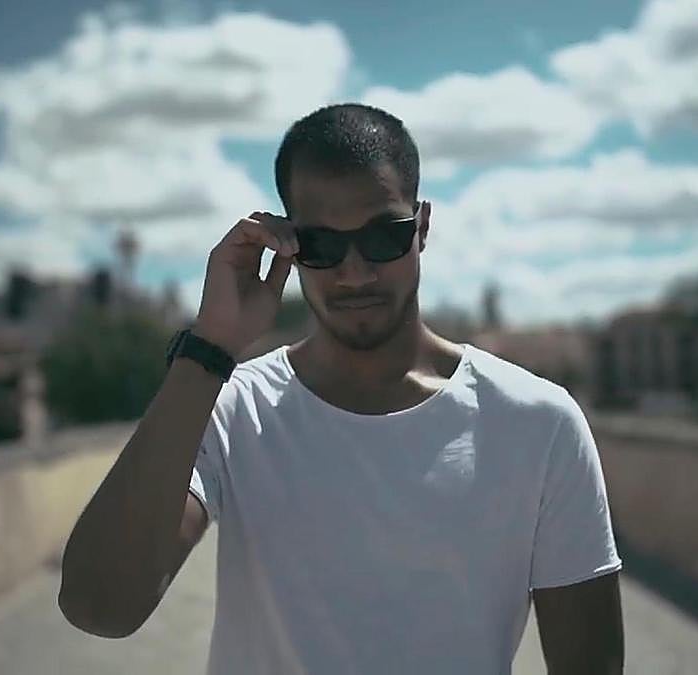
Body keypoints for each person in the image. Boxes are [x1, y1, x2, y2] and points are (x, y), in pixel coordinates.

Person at [58, 103, 624, 674]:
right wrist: (210, 347)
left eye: (384, 236)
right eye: (322, 246)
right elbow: (100, 605)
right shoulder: (234, 407)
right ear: (288, 246)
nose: (354, 273)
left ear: (422, 228)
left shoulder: (538, 422)